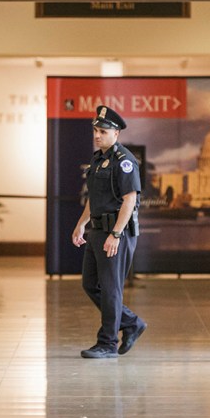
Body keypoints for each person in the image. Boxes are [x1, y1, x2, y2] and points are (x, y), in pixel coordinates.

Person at [71, 105, 146, 359]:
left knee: (112, 288)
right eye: (95, 130)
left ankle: (108, 343)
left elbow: (129, 200)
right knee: (90, 284)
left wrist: (115, 235)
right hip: (96, 230)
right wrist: (82, 223)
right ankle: (131, 322)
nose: (97, 135)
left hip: (116, 233)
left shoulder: (124, 162)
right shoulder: (98, 160)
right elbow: (94, 197)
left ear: (116, 134)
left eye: (102, 131)